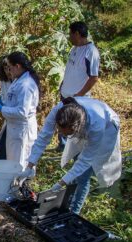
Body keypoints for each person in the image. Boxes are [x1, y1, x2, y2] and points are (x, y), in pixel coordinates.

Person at [23, 97, 121, 214]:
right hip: (82, 123)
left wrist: (60, 184)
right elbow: (43, 137)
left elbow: (85, 160)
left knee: (83, 176)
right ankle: (67, 201)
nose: (63, 135)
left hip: (107, 129)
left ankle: (74, 212)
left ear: (77, 128)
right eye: (61, 132)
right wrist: (29, 166)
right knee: (76, 163)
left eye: (67, 134)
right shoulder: (59, 111)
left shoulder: (97, 126)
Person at [0, 52, 40, 170]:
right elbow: (14, 103)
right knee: (12, 160)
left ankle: (19, 185)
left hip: (22, 129)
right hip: (14, 127)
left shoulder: (26, 85)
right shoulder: (18, 80)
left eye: (10, 67)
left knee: (20, 161)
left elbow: (22, 112)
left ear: (17, 66)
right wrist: (1, 103)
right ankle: (12, 183)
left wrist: (1, 108)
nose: (8, 71)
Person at [57, 21, 100, 151]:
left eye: (70, 34)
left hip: (78, 97)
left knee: (75, 125)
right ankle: (63, 145)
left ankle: (76, 151)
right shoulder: (74, 49)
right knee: (63, 120)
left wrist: (80, 94)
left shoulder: (91, 51)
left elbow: (94, 77)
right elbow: (71, 70)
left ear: (77, 33)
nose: (69, 37)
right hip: (66, 94)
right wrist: (63, 85)